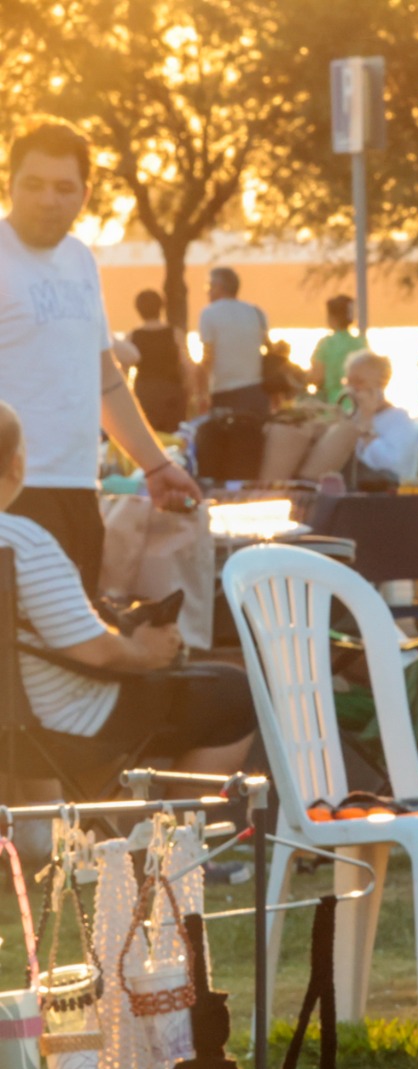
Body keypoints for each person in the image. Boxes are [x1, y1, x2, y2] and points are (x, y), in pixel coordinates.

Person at [0, 120, 201, 594]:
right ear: (9, 183)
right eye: (34, 184)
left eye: (63, 187)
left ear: (84, 196)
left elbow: (104, 378)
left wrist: (155, 466)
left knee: (75, 655)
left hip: (78, 489)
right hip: (10, 493)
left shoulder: (81, 260)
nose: (49, 198)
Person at [0, 402, 255, 775]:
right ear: (18, 465)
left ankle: (74, 825)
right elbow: (93, 650)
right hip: (46, 726)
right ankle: (176, 831)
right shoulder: (22, 542)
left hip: (23, 722)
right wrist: (143, 652)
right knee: (234, 694)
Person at [259, 350, 418, 488]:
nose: (352, 388)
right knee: (293, 430)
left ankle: (302, 489)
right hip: (343, 483)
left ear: (382, 383)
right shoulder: (351, 415)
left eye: (359, 381)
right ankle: (274, 490)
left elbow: (390, 466)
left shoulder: (399, 420)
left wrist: (366, 423)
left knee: (345, 431)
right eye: (349, 381)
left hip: (377, 488)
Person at [195, 266, 269, 417]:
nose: (207, 291)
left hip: (225, 392)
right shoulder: (256, 312)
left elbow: (208, 356)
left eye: (209, 286)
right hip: (257, 391)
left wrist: (202, 392)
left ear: (219, 287)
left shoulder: (209, 313)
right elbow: (267, 347)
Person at [121, 289, 192, 435]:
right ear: (161, 307)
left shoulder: (132, 337)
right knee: (174, 436)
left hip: (145, 393)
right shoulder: (175, 333)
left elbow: (123, 371)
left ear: (138, 309)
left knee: (149, 435)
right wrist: (189, 390)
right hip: (172, 391)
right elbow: (187, 365)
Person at [309, 293, 367, 408]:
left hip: (334, 403)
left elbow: (317, 377)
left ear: (332, 318)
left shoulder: (326, 344)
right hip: (359, 403)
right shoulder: (361, 343)